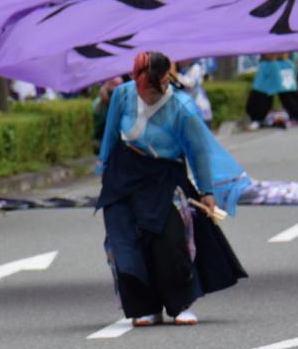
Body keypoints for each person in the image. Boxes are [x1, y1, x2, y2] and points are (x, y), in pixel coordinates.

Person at [96, 52, 250, 327]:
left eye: (155, 90)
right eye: (144, 90)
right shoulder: (122, 95)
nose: (148, 96)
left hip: (163, 176)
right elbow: (110, 135)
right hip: (123, 173)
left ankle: (180, 305)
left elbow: (198, 152)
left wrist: (206, 191)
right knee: (125, 245)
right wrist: (105, 167)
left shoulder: (182, 107)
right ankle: (144, 308)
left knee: (171, 244)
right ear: (135, 79)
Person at [246, 53, 298, 129]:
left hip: (282, 61)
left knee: (289, 93)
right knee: (261, 92)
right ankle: (256, 119)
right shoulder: (264, 64)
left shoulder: (287, 63)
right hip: (267, 62)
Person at [174, 58, 212, 123]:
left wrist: (176, 75)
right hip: (190, 109)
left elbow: (192, 83)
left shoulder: (196, 67)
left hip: (199, 108)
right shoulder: (185, 70)